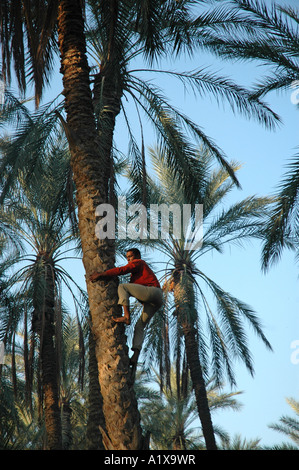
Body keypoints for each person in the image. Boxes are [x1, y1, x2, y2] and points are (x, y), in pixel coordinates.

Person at [89, 248, 163, 364]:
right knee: (139, 326)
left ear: (137, 256)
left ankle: (126, 317)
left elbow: (123, 270)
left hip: (153, 292)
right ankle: (136, 354)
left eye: (131, 256)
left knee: (123, 287)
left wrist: (102, 274)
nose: (129, 259)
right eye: (127, 257)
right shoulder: (135, 277)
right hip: (155, 300)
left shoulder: (139, 262)